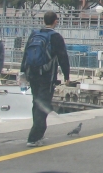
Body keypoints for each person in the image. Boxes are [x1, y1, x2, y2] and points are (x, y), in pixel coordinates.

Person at [21, 11, 70, 147]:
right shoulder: (56, 37)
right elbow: (63, 57)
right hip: (47, 76)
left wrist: (22, 72)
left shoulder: (34, 34)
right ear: (55, 21)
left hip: (32, 74)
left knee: (36, 103)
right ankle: (34, 137)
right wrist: (67, 75)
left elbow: (26, 54)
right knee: (43, 105)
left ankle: (38, 134)